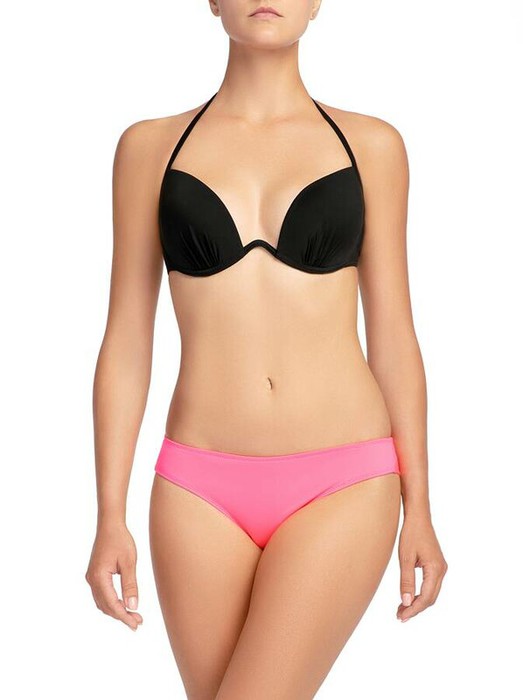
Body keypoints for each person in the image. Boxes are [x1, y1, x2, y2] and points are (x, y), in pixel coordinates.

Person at [86, 1, 448, 697]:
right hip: (195, 490)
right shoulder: (148, 148)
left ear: (317, 3)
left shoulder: (371, 146)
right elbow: (127, 337)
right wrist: (108, 515)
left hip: (342, 480)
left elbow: (394, 336)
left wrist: (421, 507)